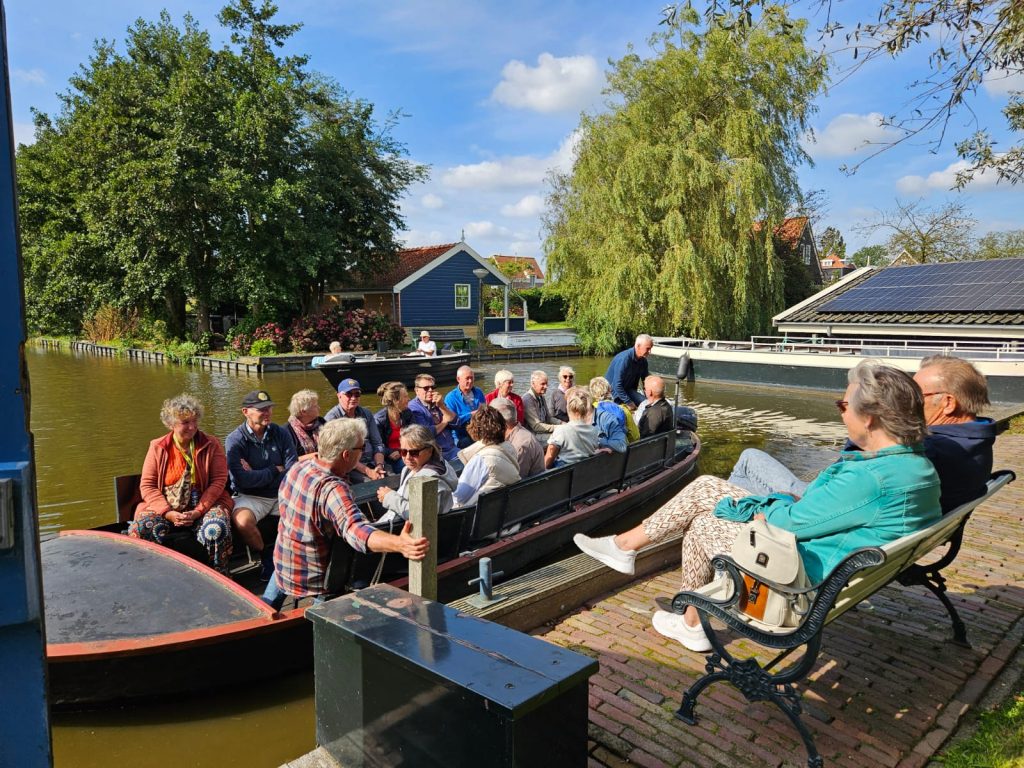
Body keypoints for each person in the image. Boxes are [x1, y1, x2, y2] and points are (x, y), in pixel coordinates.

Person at [574, 361, 941, 652]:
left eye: (844, 405)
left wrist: (767, 509)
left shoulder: (874, 477)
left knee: (702, 514)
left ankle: (648, 573)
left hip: (797, 585)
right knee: (704, 496)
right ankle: (661, 588)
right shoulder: (915, 467)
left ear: (870, 417)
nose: (841, 413)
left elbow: (792, 523)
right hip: (832, 573)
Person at [727, 355, 995, 514]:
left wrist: (868, 421)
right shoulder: (975, 443)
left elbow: (848, 472)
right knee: (743, 468)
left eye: (916, 394)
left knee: (745, 464)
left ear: (947, 403)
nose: (908, 401)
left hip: (822, 507)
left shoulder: (928, 452)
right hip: (860, 513)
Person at [264, 418, 429, 608]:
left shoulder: (298, 468)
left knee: (266, 607)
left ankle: (264, 614)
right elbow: (356, 530)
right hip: (314, 580)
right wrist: (399, 544)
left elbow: (284, 506)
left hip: (283, 565)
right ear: (346, 455)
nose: (363, 453)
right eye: (361, 448)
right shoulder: (333, 489)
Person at [129, 394, 234, 572]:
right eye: (185, 423)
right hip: (167, 507)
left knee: (216, 527)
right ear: (171, 424)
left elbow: (218, 481)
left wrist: (198, 511)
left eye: (194, 421)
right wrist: (167, 512)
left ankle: (217, 574)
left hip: (204, 505)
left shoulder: (211, 443)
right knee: (142, 528)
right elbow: (147, 485)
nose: (192, 427)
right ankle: (151, 575)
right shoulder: (158, 447)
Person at [225, 390, 298, 556]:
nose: (267, 412)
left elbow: (292, 470)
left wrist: (257, 475)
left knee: (311, 510)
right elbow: (242, 481)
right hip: (251, 496)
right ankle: (265, 555)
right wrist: (274, 469)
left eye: (269, 408)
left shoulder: (280, 433)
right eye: (261, 409)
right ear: (246, 412)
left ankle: (294, 554)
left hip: (281, 492)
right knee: (243, 522)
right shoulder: (235, 440)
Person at [376, 424, 459, 521]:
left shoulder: (429, 479)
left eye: (414, 452)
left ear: (429, 450)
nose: (407, 457)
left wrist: (389, 497)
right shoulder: (412, 468)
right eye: (403, 451)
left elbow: (419, 515)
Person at [452, 408, 520, 507]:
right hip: (504, 511)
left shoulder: (482, 459)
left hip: (480, 516)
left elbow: (459, 498)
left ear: (474, 429)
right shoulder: (509, 448)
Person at [324, 378, 387, 484]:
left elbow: (377, 443)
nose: (353, 398)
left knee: (393, 479)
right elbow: (339, 454)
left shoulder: (367, 414)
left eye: (357, 394)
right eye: (349, 394)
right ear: (339, 395)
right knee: (371, 484)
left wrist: (379, 465)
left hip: (373, 461)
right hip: (351, 467)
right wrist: (367, 471)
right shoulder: (332, 419)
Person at [408, 373, 461, 469]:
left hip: (452, 449)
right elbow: (426, 434)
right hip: (435, 455)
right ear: (417, 391)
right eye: (426, 388)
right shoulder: (413, 408)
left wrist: (442, 407)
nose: (430, 391)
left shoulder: (438, 402)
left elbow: (457, 423)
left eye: (433, 387)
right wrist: (444, 422)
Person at [545, 387, 603, 468]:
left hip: (563, 477)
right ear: (586, 409)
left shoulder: (561, 430)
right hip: (586, 475)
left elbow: (547, 463)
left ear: (568, 407)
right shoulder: (594, 431)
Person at [489, 397, 545, 478]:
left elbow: (515, 479)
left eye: (490, 419)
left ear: (499, 422)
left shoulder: (520, 446)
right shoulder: (516, 434)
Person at [605, 333, 654, 409]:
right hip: (612, 393)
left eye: (651, 349)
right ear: (638, 346)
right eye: (647, 349)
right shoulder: (624, 359)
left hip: (628, 391)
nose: (650, 352)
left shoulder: (643, 361)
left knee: (648, 405)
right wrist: (629, 402)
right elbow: (616, 385)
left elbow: (646, 382)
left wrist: (651, 398)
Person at [375, 381, 414, 474]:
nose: (409, 399)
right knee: (409, 467)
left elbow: (414, 435)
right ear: (396, 401)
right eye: (405, 397)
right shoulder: (379, 420)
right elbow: (376, 445)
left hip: (407, 452)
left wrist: (401, 450)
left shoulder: (408, 413)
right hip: (390, 459)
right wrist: (389, 452)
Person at [443, 365, 487, 448]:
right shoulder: (451, 398)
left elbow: (484, 411)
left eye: (472, 378)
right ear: (458, 379)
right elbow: (451, 423)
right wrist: (471, 415)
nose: (470, 381)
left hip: (479, 432)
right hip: (461, 437)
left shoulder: (478, 392)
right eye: (467, 378)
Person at [589, 376, 635, 450]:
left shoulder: (590, 411)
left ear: (593, 394)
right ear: (610, 389)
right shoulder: (623, 409)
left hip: (599, 451)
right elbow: (635, 436)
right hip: (621, 450)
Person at [285, 389, 325, 462]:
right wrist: (315, 456)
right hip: (300, 470)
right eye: (315, 406)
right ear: (303, 412)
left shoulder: (321, 422)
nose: (319, 408)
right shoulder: (286, 431)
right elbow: (288, 460)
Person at [522, 370, 561, 440]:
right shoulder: (527, 399)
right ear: (533, 384)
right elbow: (536, 426)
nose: (546, 387)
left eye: (546, 384)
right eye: (542, 384)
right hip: (533, 436)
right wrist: (559, 428)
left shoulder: (541, 396)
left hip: (542, 432)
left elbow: (548, 418)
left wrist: (562, 423)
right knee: (560, 437)